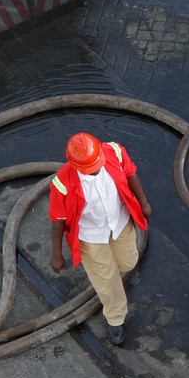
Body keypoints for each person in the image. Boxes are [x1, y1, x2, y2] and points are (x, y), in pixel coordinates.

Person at [48, 132, 151, 345]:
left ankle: (116, 271)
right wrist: (56, 254)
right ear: (76, 166)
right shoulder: (62, 183)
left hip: (120, 224)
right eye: (91, 169)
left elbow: (131, 175)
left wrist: (143, 203)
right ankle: (115, 318)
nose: (96, 170)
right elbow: (58, 220)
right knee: (106, 279)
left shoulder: (113, 152)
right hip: (91, 236)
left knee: (128, 262)